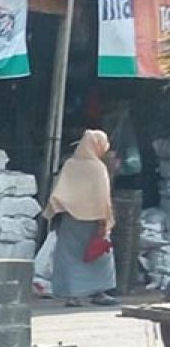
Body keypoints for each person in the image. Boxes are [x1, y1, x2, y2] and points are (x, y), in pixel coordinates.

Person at [43, 129, 119, 308]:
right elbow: (103, 197)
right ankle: (100, 292)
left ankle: (73, 296)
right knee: (100, 257)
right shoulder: (98, 167)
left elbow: (58, 192)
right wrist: (105, 220)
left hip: (71, 219)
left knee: (69, 257)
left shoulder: (70, 165)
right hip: (95, 220)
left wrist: (54, 213)